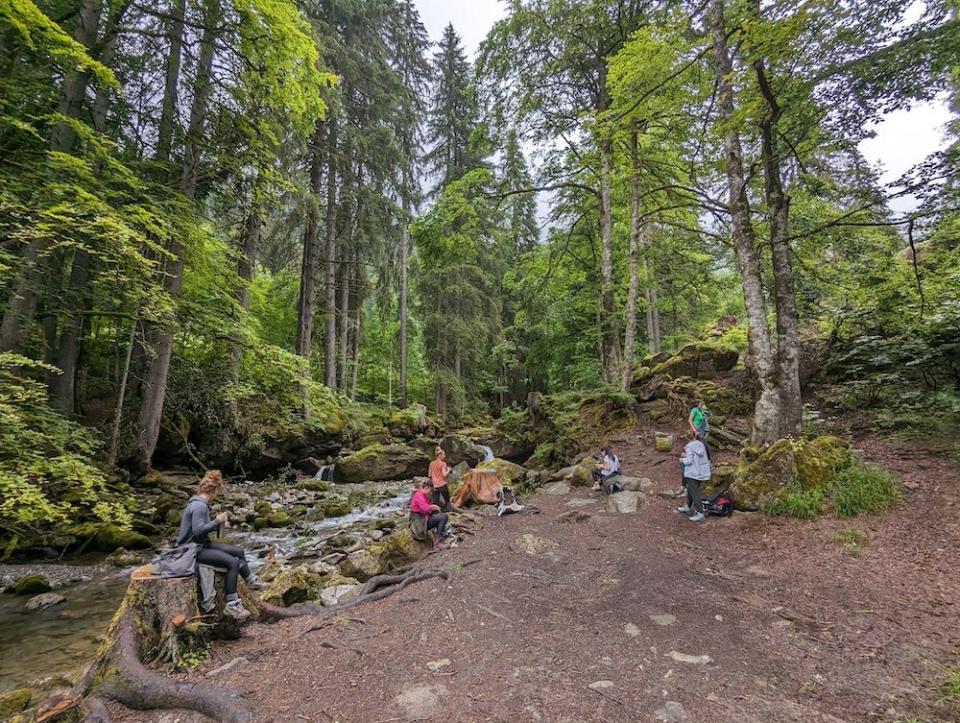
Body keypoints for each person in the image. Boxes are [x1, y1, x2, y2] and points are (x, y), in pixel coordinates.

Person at [176, 470, 256, 619]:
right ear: (215, 490)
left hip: (201, 545)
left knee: (238, 551)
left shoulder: (199, 503)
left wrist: (217, 523)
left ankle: (251, 581)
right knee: (232, 562)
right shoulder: (200, 506)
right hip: (190, 551)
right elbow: (198, 531)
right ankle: (232, 605)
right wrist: (217, 521)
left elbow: (201, 531)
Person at [678, 431, 711, 523]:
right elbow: (697, 456)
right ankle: (688, 506)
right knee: (690, 489)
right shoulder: (701, 444)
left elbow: (689, 461)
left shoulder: (689, 446)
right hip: (701, 472)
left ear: (687, 438)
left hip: (692, 472)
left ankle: (700, 513)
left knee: (694, 492)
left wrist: (682, 459)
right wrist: (687, 455)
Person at [410, 478, 450, 550]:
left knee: (443, 516)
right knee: (443, 517)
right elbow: (424, 508)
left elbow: (427, 508)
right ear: (426, 487)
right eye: (430, 490)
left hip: (424, 518)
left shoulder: (424, 495)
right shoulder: (419, 495)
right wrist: (433, 506)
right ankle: (438, 543)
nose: (430, 492)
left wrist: (434, 509)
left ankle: (440, 536)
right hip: (419, 522)